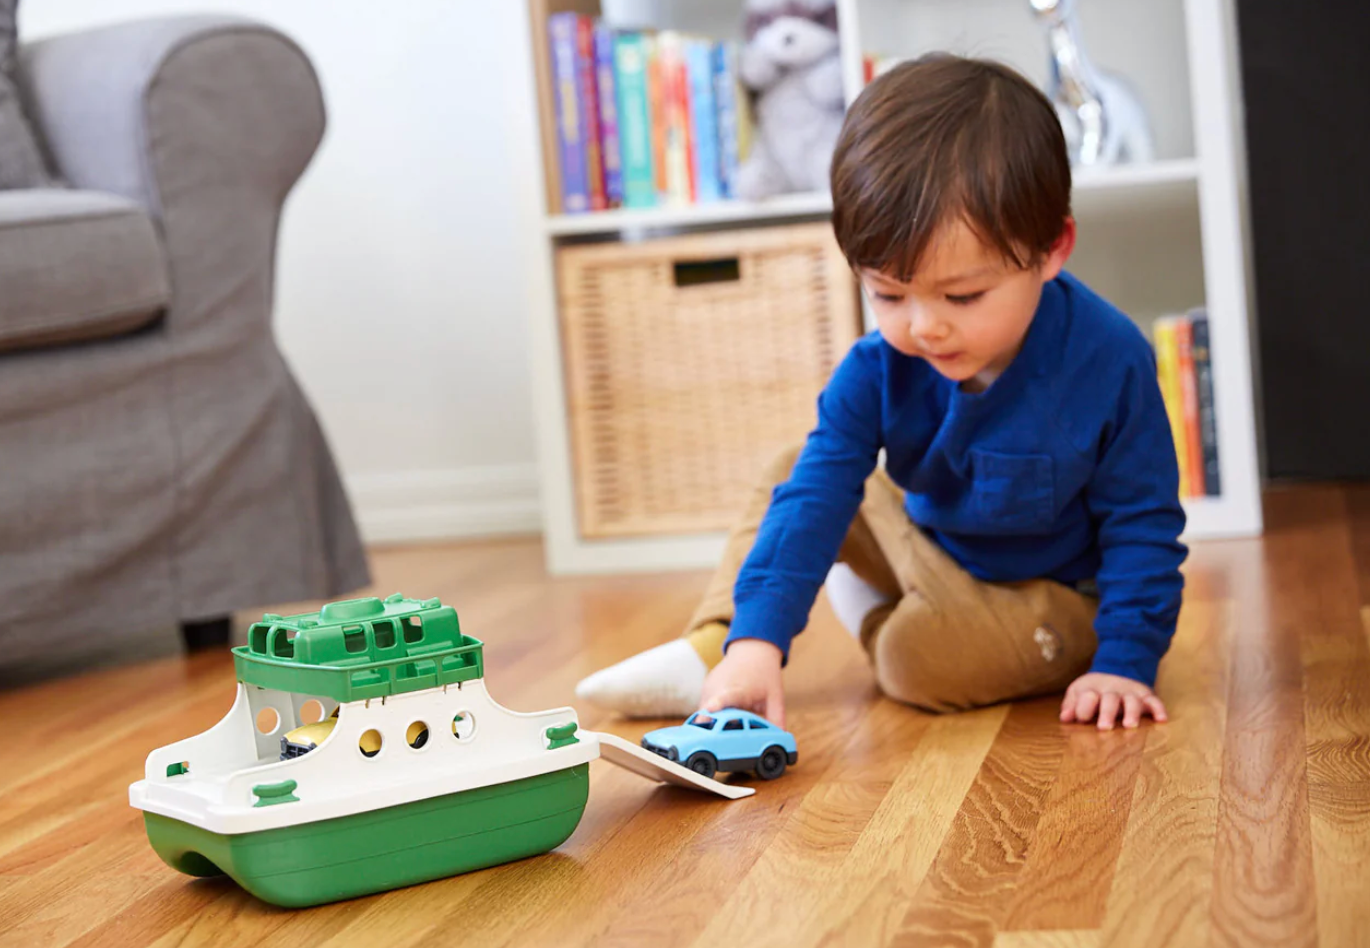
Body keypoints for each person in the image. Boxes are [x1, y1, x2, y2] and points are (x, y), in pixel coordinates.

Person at [575, 54, 1186, 733]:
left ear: (1051, 251)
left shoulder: (1111, 359)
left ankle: (873, 607)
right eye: (888, 295)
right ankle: (714, 649)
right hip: (932, 547)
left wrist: (1126, 660)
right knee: (796, 474)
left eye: (963, 295)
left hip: (1055, 599)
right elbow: (816, 493)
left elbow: (1143, 522)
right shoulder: (878, 367)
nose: (925, 327)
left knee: (911, 663)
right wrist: (758, 643)